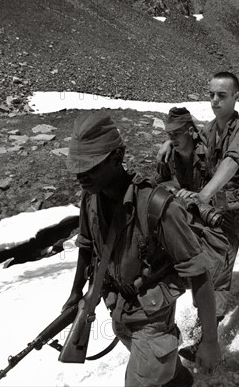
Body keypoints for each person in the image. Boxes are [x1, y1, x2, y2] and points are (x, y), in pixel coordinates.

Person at [62, 112, 221, 387]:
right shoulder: (90, 198)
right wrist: (78, 294)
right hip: (119, 308)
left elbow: (199, 274)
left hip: (154, 317)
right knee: (165, 374)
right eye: (77, 167)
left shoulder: (159, 207)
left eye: (90, 166)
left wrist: (210, 341)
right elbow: (87, 246)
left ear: (117, 157)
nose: (81, 176)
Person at [157, 72, 239, 341]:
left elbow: (234, 159)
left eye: (222, 95)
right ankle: (208, 329)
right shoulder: (210, 131)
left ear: (236, 96)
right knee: (218, 271)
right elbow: (190, 137)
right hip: (222, 216)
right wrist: (170, 141)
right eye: (211, 94)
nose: (215, 100)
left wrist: (203, 194)